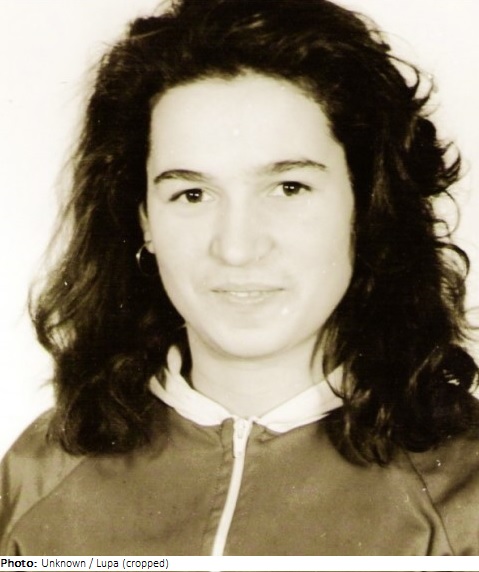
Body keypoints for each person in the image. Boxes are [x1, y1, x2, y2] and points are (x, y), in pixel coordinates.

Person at [1, 0, 478, 557]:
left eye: (289, 188)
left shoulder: (464, 491)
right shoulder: (37, 476)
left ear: (367, 207)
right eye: (192, 194)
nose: (236, 247)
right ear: (145, 220)